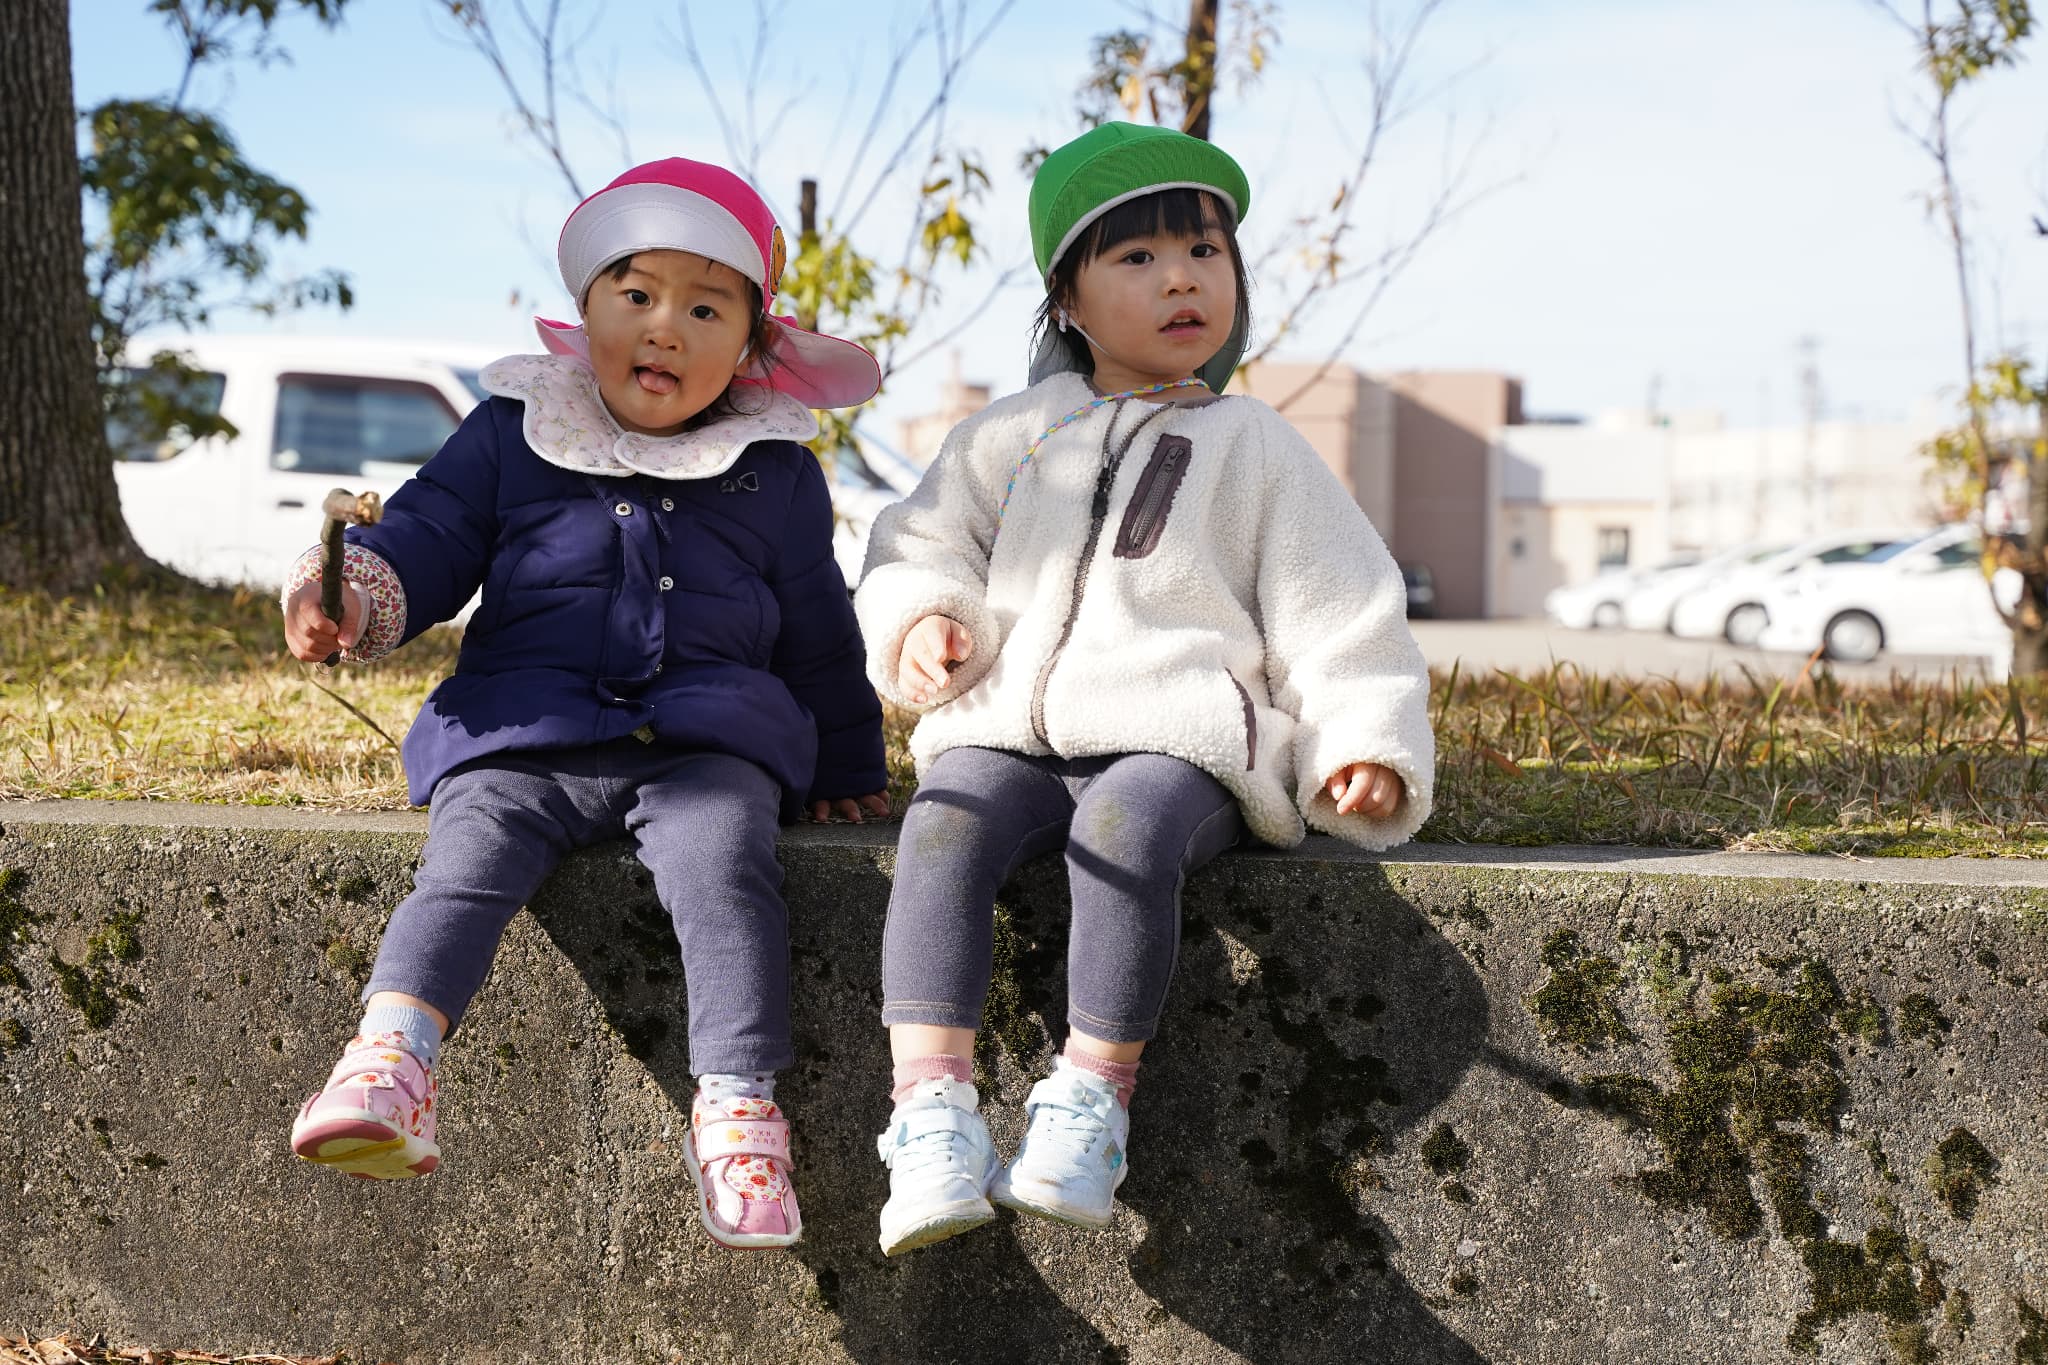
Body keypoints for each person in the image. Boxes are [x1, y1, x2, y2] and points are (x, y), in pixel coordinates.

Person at [280, 157, 888, 1251]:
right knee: (467, 860)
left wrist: (848, 763)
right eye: (636, 293)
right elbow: (427, 533)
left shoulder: (777, 471)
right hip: (523, 728)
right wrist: (353, 595)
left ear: (750, 344)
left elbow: (816, 623)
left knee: (725, 867)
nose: (665, 328)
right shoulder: (514, 430)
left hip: (705, 741)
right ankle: (390, 1060)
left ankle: (738, 1106)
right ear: (587, 308)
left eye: (705, 309)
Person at [854, 122, 1435, 1256]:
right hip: (1007, 733)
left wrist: (1359, 739)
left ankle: (1090, 1098)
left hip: (1181, 743)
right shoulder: (1009, 437)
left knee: (1124, 825)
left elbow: (1340, 609)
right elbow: (917, 544)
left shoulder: (1256, 445)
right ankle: (929, 1111)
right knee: (944, 822)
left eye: (1205, 252)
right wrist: (925, 618)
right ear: (1066, 300)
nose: (1181, 278)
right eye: (1137, 257)